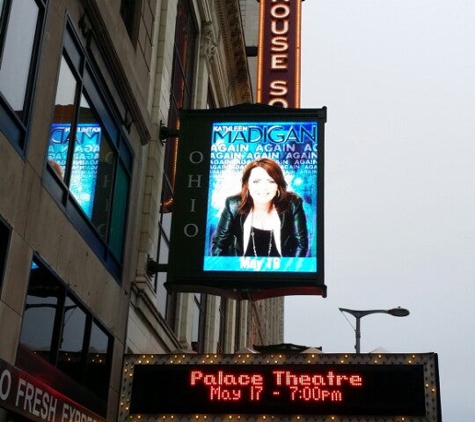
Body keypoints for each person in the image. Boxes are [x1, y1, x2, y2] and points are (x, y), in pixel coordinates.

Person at [211, 158, 308, 257]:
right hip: (240, 270)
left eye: (270, 181)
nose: (263, 187)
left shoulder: (293, 204)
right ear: (247, 184)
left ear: (278, 185)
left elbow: (301, 244)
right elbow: (219, 245)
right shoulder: (233, 205)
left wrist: (290, 271)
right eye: (256, 181)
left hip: (282, 270)